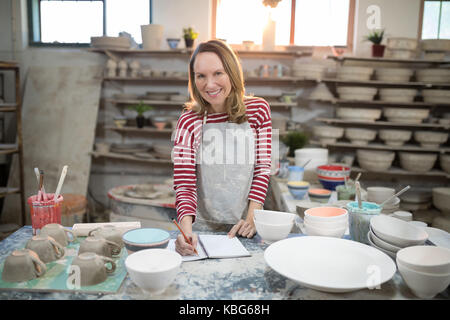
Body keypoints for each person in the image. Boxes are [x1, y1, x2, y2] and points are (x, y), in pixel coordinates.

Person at [173, 40, 272, 256]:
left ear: (232, 72)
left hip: (245, 228)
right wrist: (186, 233)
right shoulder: (188, 120)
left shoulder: (258, 110)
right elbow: (184, 184)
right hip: (202, 231)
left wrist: (252, 219)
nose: (209, 84)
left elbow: (263, 168)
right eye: (201, 76)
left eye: (218, 73)